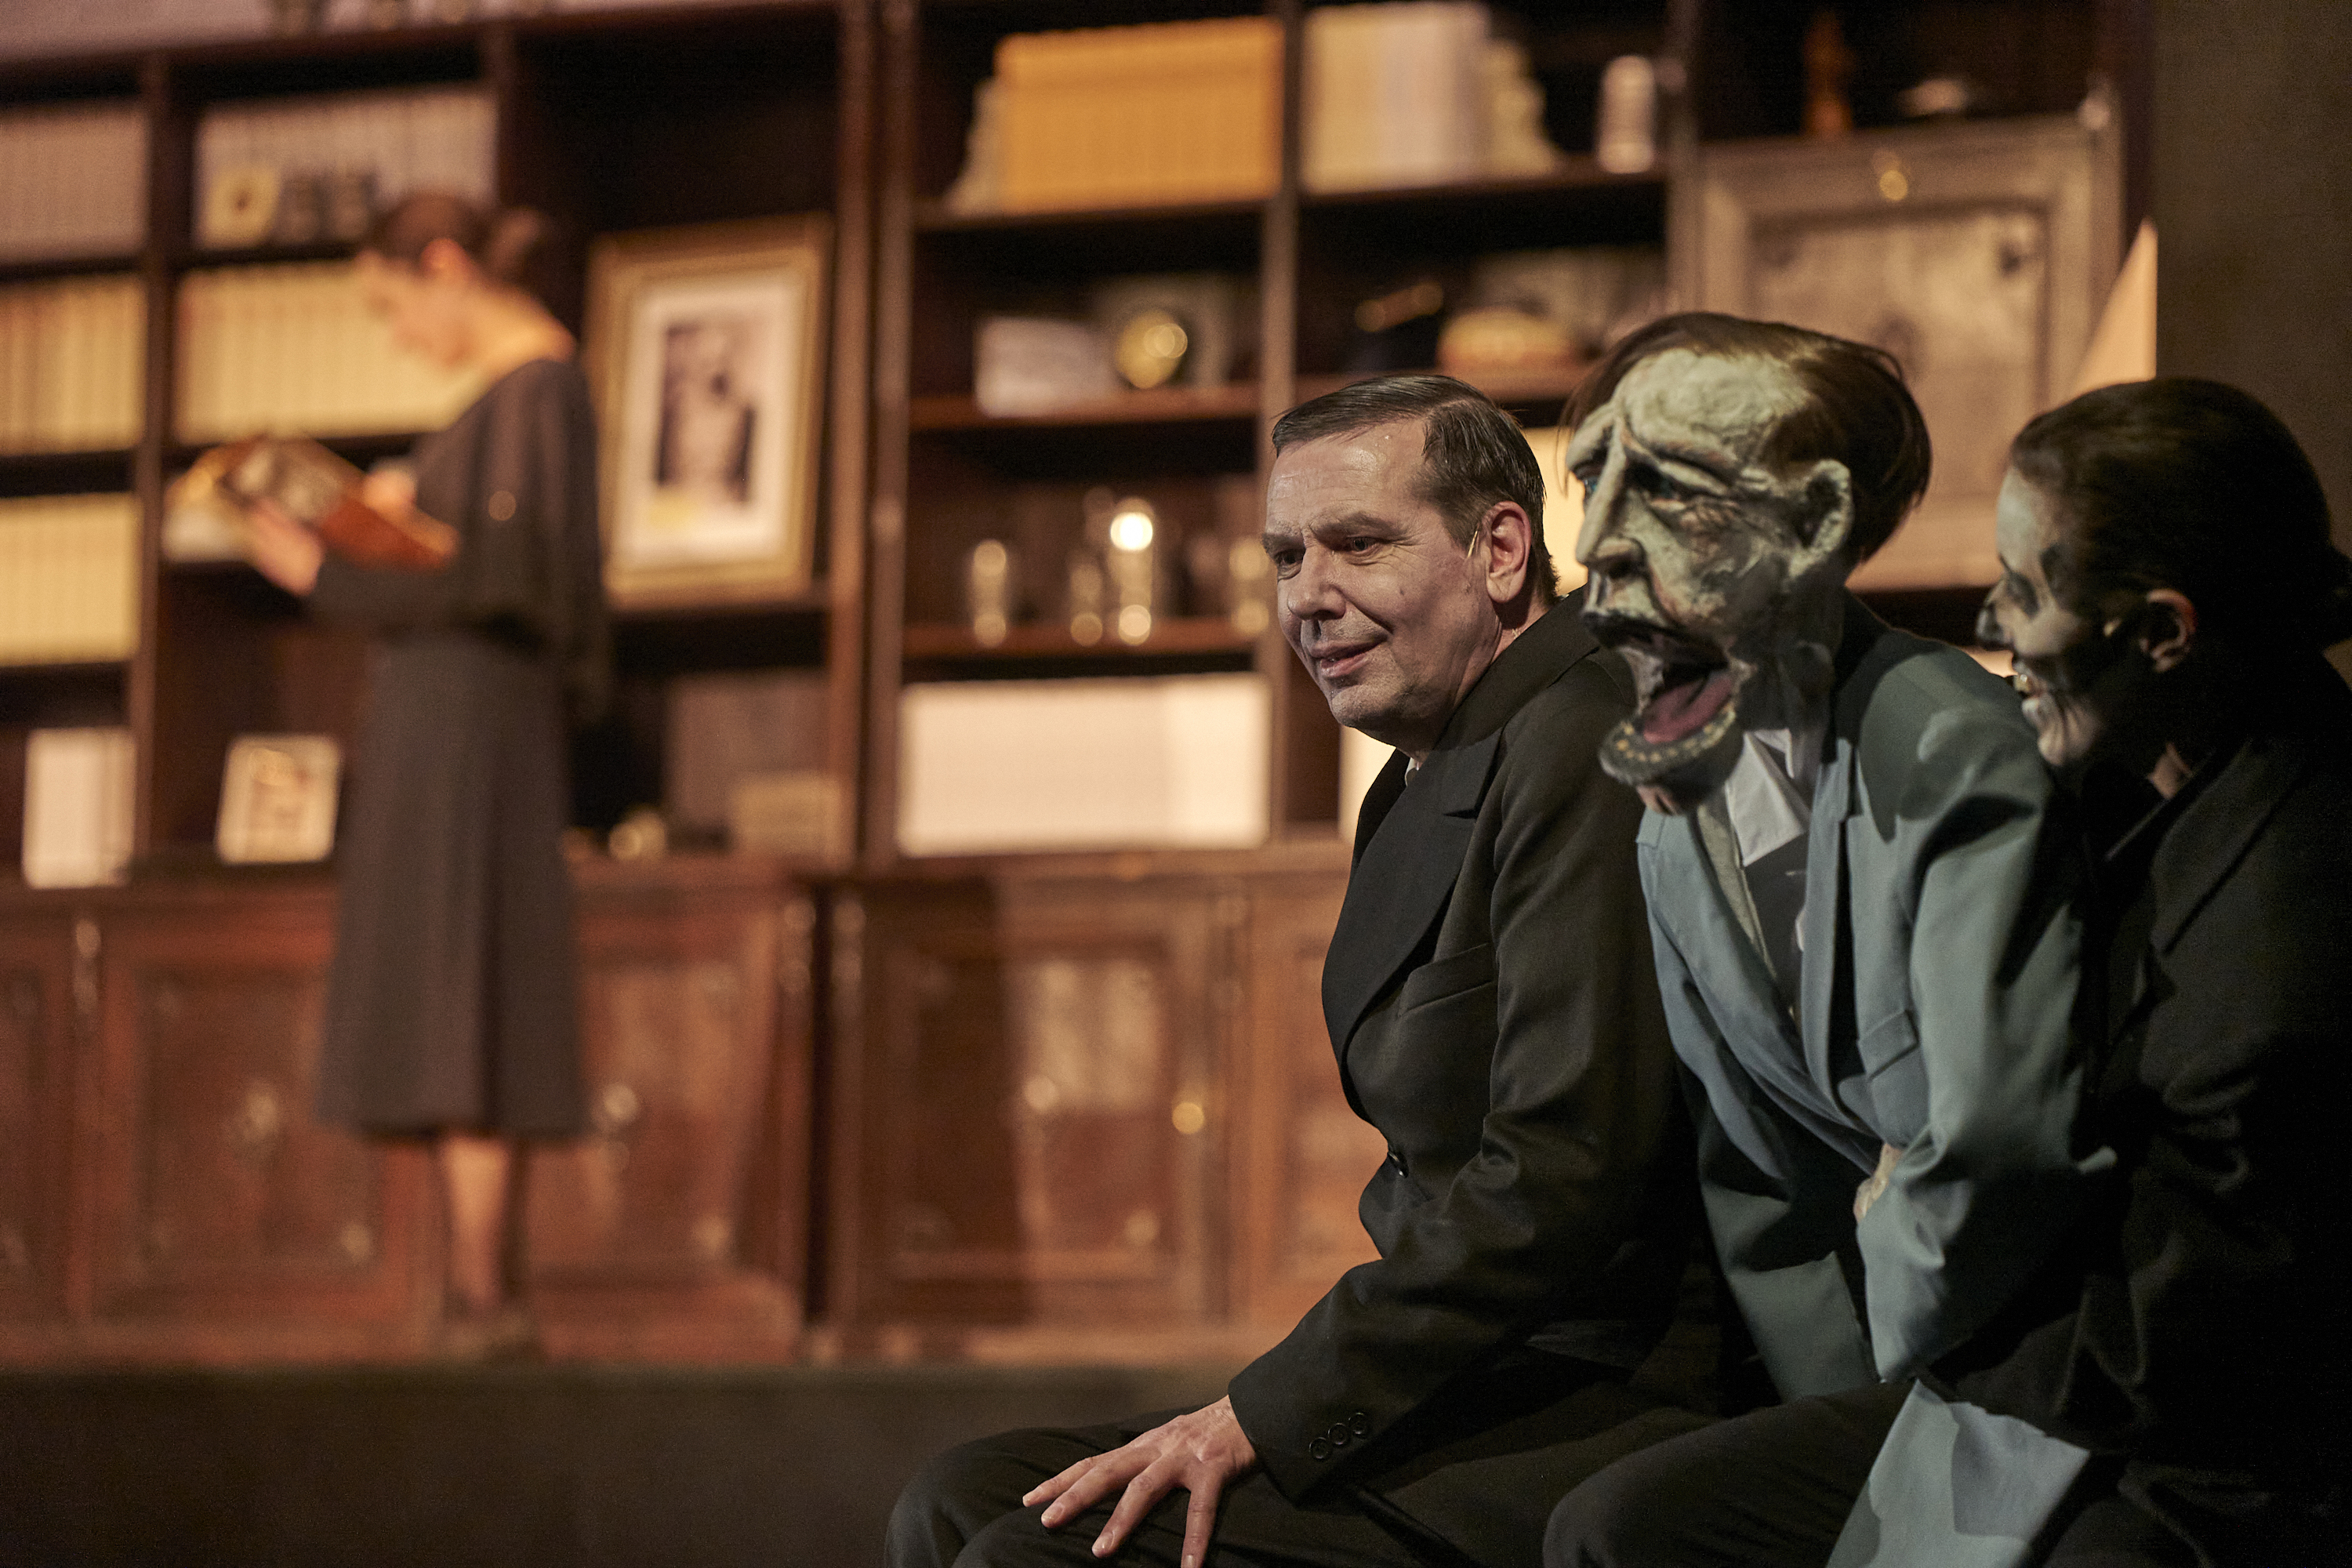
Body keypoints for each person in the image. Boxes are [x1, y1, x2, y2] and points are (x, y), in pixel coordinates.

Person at [888, 376, 1706, 1568]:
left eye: (1360, 545)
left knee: (1038, 1555)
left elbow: (1560, 1173)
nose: (1309, 597)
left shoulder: (1581, 740)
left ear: (1501, 550)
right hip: (1468, 1368)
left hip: (1596, 1392)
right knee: (962, 1496)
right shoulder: (1426, 769)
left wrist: (1263, 1414)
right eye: (1286, 557)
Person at [1541, 314, 2089, 1565]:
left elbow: (1996, 1152)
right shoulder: (1674, 821)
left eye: (1668, 488)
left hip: (2034, 1375)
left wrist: (1893, 1285)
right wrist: (1839, 1416)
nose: (1598, 543)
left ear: (1818, 521)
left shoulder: (1948, 752)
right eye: (1593, 480)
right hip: (1883, 1380)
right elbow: (1761, 1186)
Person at [1936, 377, 2352, 1564]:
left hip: (2218, 1484)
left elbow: (2168, 1355)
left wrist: (1910, 1287)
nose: (1993, 624)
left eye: (2025, 592)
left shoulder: (2273, 966)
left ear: (2164, 633)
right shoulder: (2164, 757)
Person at [243, 191, 608, 1349]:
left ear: (446, 267)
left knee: (469, 990)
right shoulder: (503, 402)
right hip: (449, 727)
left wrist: (329, 573)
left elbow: (509, 579)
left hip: (472, 736)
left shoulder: (537, 388)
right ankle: (465, 1294)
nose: (399, 335)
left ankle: (484, 1295)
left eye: (395, 306)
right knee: (447, 992)